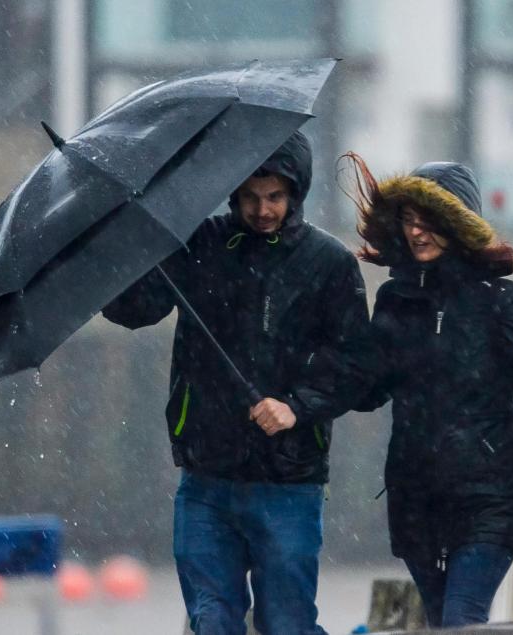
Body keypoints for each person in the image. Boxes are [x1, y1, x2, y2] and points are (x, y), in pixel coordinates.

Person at [102, 132, 370, 635]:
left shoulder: (329, 263)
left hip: (289, 480)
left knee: (286, 623)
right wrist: (124, 246)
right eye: (250, 196)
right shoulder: (199, 245)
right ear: (233, 194)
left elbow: (357, 364)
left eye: (274, 197)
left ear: (295, 193)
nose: (262, 209)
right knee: (212, 620)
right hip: (206, 475)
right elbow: (132, 310)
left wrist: (296, 406)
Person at [344, 154, 513, 628]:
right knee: (441, 622)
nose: (416, 232)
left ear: (459, 222)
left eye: (429, 220)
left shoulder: (502, 302)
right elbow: (368, 392)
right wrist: (340, 338)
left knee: (461, 621)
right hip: (416, 502)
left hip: (489, 499)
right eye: (409, 221)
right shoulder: (395, 301)